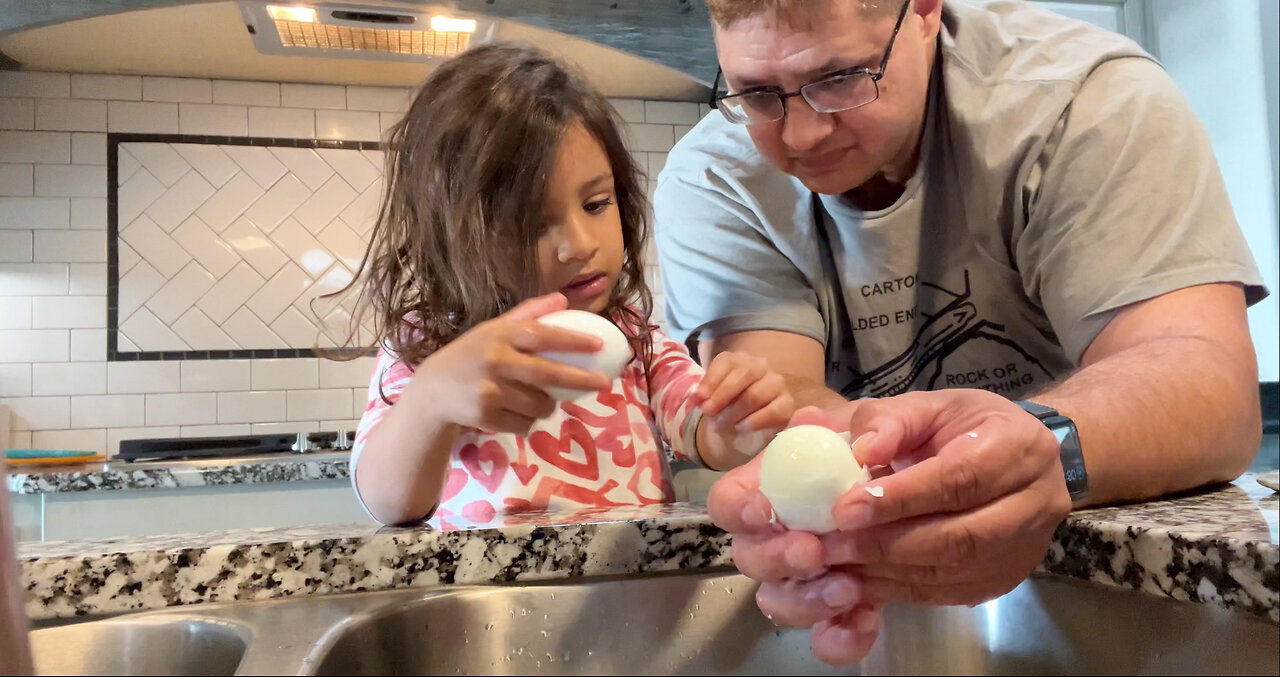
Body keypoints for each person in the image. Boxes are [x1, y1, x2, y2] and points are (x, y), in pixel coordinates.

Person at [654, 0, 1266, 665]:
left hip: (1120, 606)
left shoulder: (1081, 101)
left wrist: (1040, 448)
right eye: (758, 93)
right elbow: (782, 410)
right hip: (881, 604)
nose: (800, 135)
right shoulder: (718, 172)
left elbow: (1206, 384)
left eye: (839, 79)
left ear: (922, 10)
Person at [343, 43, 795, 527]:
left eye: (597, 204)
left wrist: (739, 422)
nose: (578, 245)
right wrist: (431, 398)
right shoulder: (430, 343)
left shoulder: (635, 341)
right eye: (532, 225)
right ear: (455, 236)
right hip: (488, 598)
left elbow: (701, 428)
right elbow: (388, 502)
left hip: (626, 593)